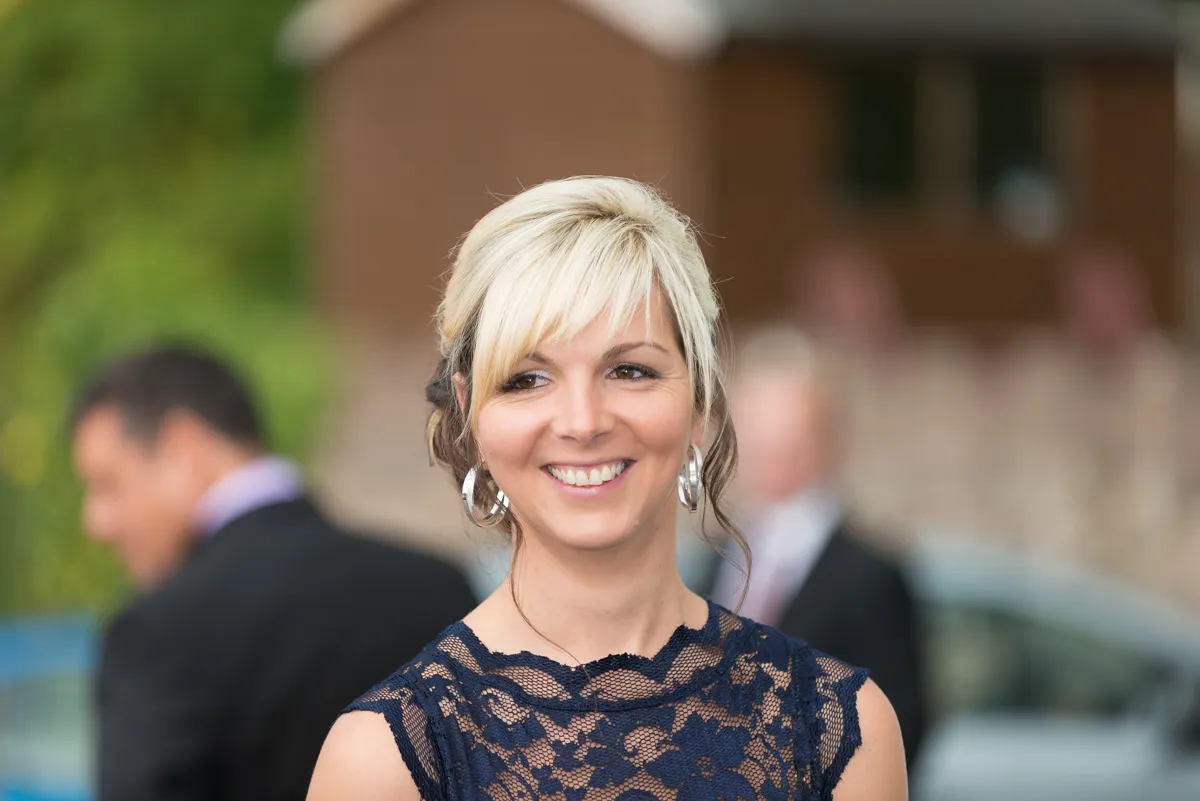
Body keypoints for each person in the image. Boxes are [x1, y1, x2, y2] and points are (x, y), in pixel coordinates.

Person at [307, 177, 907, 800]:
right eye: (526, 379)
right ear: (469, 414)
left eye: (630, 370)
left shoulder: (839, 728)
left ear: (700, 401)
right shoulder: (384, 758)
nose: (583, 421)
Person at [70, 345, 477, 801]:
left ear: (182, 448)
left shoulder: (157, 633)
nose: (96, 523)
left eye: (108, 485)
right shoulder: (439, 587)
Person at [709, 324, 927, 771]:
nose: (770, 450)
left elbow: (903, 725)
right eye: (755, 431)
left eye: (787, 435)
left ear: (827, 441)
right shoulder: (714, 557)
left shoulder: (870, 575)